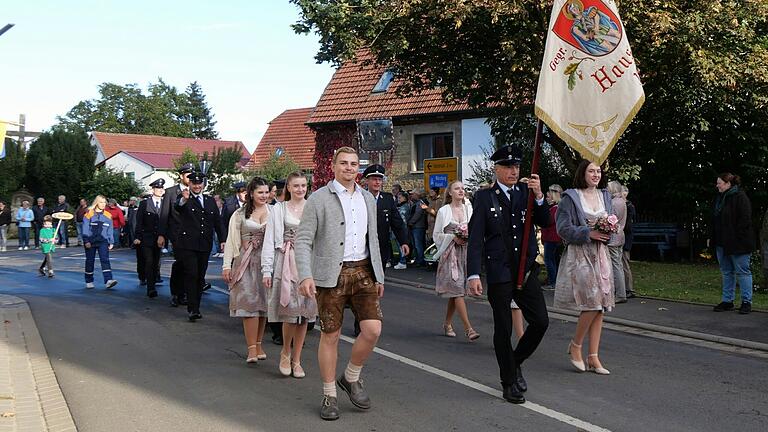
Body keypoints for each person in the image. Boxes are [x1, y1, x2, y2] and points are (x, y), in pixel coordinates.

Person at [295, 147, 386, 421]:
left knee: (372, 330)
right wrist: (305, 274)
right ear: (333, 166)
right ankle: (329, 394)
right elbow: (303, 240)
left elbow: (374, 239)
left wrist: (379, 275)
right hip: (330, 275)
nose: (349, 168)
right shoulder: (319, 198)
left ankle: (350, 377)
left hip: (363, 272)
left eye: (353, 164)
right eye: (343, 163)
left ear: (358, 168)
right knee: (330, 335)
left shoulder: (368, 198)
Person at [467, 144, 551, 404]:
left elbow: (546, 222)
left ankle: (514, 363)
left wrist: (539, 197)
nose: (514, 171)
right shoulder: (483, 198)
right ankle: (508, 381)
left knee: (540, 322)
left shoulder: (527, 193)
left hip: (524, 271)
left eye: (516, 167)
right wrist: (473, 274)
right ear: (497, 169)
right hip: (500, 271)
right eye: (508, 167)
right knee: (503, 328)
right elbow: (476, 240)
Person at [554, 160, 615, 376]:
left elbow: (611, 224)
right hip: (580, 255)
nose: (596, 174)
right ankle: (576, 345)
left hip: (600, 254)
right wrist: (587, 233)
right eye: (591, 171)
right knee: (592, 302)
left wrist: (608, 232)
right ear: (583, 173)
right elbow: (562, 228)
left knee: (601, 306)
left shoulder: (605, 195)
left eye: (598, 171)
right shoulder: (570, 197)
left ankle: (593, 357)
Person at [262, 172, 318, 377]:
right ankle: (286, 351)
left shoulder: (313, 208)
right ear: (288, 187)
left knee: (304, 314)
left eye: (303, 185)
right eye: (296, 186)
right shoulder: (279, 209)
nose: (300, 189)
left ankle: (297, 359)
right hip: (286, 262)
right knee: (290, 312)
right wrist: (266, 270)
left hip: (308, 263)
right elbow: (269, 240)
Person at [221, 177, 271, 357]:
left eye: (266, 192)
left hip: (266, 262)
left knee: (263, 305)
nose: (264, 196)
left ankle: (259, 345)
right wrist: (227, 266)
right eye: (260, 192)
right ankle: (251, 348)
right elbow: (230, 241)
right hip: (245, 262)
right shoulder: (239, 214)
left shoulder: (274, 212)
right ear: (251, 193)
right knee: (249, 304)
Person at [175, 171, 224, 321]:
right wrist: (184, 199)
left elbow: (217, 222)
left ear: (203, 184)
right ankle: (193, 308)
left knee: (200, 277)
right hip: (188, 244)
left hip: (204, 244)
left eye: (199, 183)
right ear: (189, 184)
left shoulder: (209, 200)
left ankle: (196, 304)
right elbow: (178, 206)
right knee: (192, 274)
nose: (197, 186)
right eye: (194, 183)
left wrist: (223, 239)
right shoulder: (184, 198)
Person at [433, 180, 479, 340]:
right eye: (457, 188)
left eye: (462, 188)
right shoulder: (444, 211)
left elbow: (476, 229)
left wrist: (467, 237)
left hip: (465, 253)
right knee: (458, 289)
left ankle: (447, 323)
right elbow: (436, 235)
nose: (461, 191)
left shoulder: (469, 208)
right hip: (450, 255)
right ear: (450, 193)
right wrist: (453, 237)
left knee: (456, 291)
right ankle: (469, 329)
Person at [711, 173, 755, 315]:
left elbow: (745, 220)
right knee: (726, 272)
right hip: (722, 242)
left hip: (738, 243)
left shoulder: (740, 197)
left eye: (719, 183)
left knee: (743, 272)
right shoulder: (720, 198)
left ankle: (746, 302)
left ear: (728, 183)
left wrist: (737, 237)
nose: (717, 185)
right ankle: (727, 300)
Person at [159, 163, 195, 307]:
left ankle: (184, 293)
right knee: (180, 263)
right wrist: (161, 235)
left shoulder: (196, 191)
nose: (190, 178)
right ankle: (176, 293)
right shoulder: (171, 192)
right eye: (188, 175)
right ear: (181, 176)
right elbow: (164, 214)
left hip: (192, 235)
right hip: (177, 234)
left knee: (189, 264)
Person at [134, 179, 167, 298]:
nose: (160, 190)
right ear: (153, 190)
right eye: (158, 188)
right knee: (149, 261)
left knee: (156, 262)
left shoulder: (165, 203)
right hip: (146, 237)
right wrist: (137, 236)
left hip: (159, 238)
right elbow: (139, 221)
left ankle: (153, 280)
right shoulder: (145, 203)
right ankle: (151, 288)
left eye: (162, 188)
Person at [82, 195, 118, 289]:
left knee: (105, 260)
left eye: (104, 202)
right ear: (96, 203)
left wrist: (111, 241)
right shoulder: (89, 214)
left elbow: (110, 229)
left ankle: (108, 280)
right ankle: (89, 280)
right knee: (90, 261)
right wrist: (86, 241)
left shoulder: (108, 215)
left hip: (103, 241)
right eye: (101, 202)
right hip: (90, 241)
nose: (103, 204)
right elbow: (85, 228)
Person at [606, 181, 627, 303]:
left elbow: (608, 219)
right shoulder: (622, 201)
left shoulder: (613, 203)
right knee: (618, 264)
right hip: (620, 235)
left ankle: (619, 294)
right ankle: (620, 292)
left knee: (615, 266)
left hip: (613, 237)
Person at [541, 185, 563, 287]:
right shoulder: (557, 208)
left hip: (551, 238)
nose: (546, 198)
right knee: (553, 260)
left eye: (548, 196)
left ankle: (553, 282)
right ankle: (554, 280)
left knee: (549, 260)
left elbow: (547, 222)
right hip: (554, 238)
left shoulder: (554, 209)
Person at [220, 181, 247, 247]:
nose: (246, 195)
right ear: (238, 193)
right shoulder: (229, 204)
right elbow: (223, 222)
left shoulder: (251, 202)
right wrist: (224, 240)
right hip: (233, 237)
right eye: (244, 193)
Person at [621, 185, 636, 298]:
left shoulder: (629, 206)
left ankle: (629, 289)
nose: (623, 193)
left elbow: (629, 226)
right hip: (622, 237)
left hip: (626, 238)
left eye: (625, 191)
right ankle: (623, 288)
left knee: (625, 263)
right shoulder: (623, 205)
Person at [407, 189, 427, 266]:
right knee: (415, 244)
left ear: (417, 195)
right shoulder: (415, 203)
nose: (411, 195)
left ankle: (421, 260)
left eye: (413, 194)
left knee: (418, 244)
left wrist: (411, 222)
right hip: (414, 227)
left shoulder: (420, 203)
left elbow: (418, 214)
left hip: (418, 227)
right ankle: (418, 259)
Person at [394, 191, 411, 269]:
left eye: (400, 198)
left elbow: (402, 219)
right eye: (398, 197)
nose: (398, 199)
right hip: (401, 228)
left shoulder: (404, 207)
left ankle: (402, 261)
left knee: (401, 245)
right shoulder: (401, 206)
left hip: (402, 229)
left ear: (404, 198)